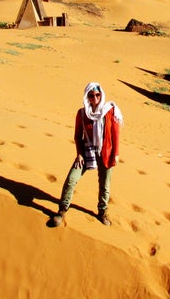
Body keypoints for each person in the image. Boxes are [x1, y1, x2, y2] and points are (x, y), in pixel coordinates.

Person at [49, 82, 123, 227]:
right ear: (87, 97)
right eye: (91, 95)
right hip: (87, 152)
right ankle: (62, 211)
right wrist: (79, 154)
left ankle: (102, 212)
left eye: (97, 95)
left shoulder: (110, 111)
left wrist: (116, 153)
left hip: (106, 152)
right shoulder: (82, 114)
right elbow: (78, 136)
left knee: (104, 185)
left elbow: (116, 133)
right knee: (71, 179)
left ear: (101, 95)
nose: (95, 98)